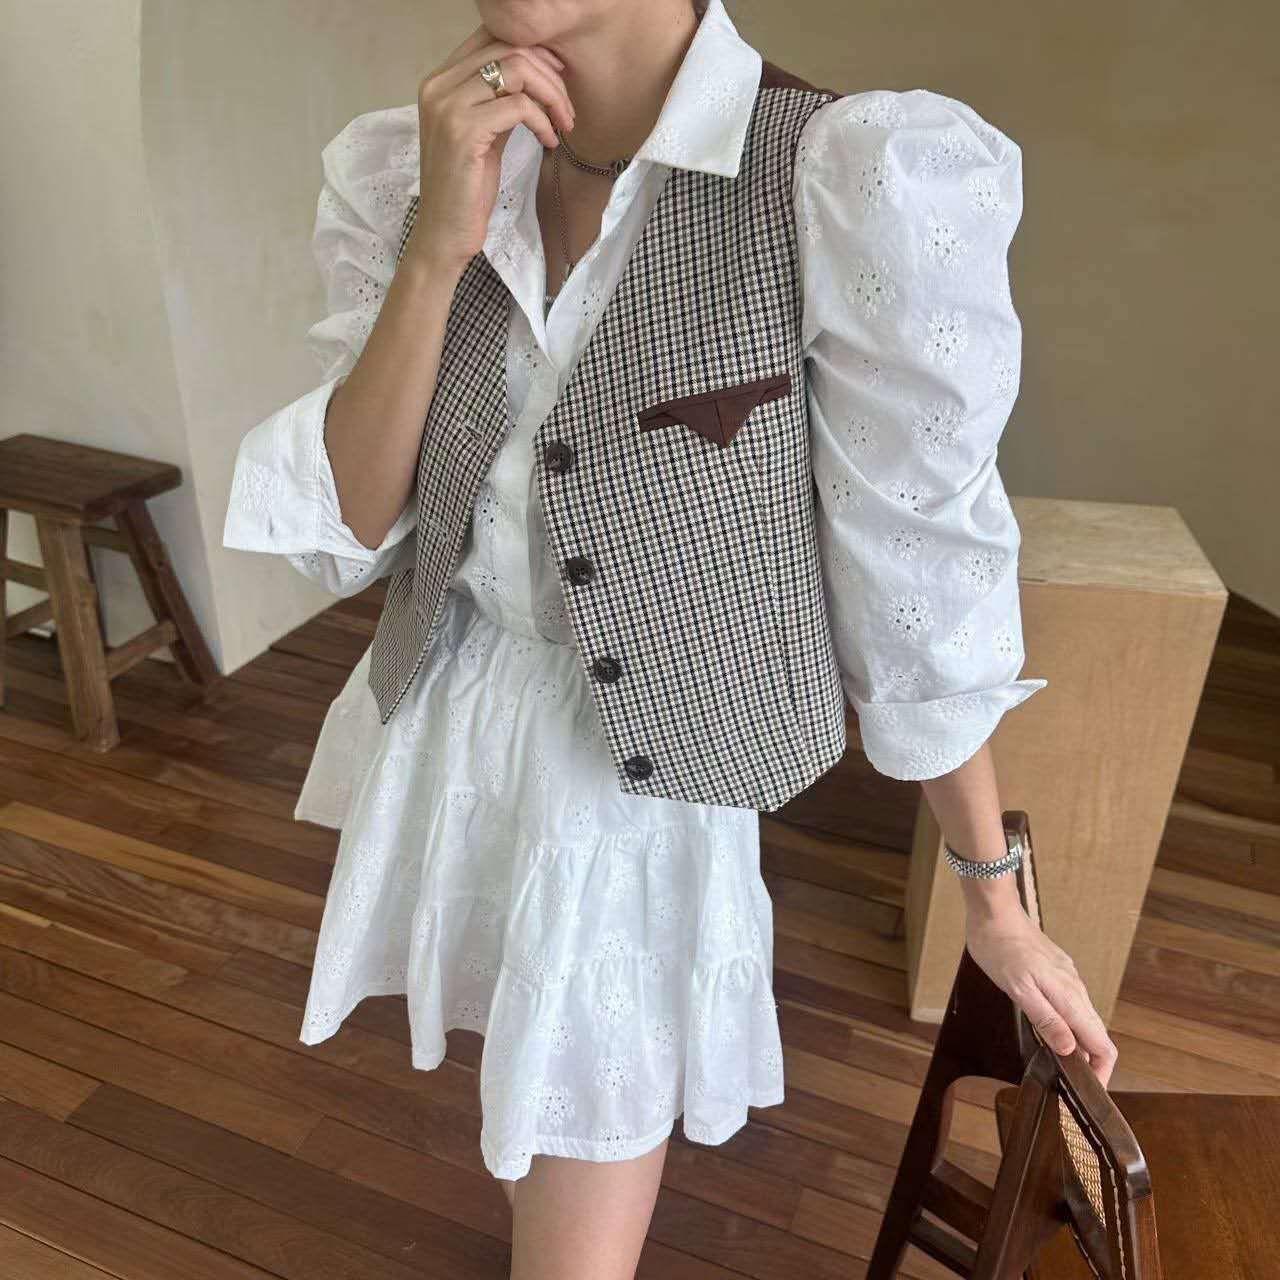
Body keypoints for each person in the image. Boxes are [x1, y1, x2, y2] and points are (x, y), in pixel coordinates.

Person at [223, 0, 1118, 1274]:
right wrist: (435, 249)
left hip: (639, 778)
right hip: (457, 702)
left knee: (585, 1099)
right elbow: (361, 516)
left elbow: (910, 562)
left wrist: (993, 896)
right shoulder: (409, 162)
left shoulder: (842, 172)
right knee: (523, 1066)